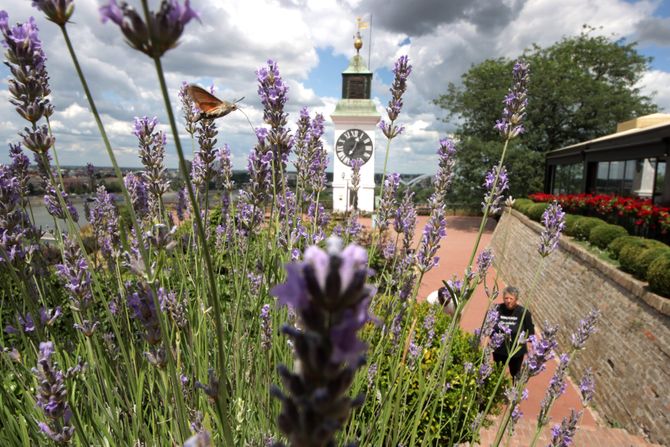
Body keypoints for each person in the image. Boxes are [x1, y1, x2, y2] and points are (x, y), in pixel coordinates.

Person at [492, 285, 534, 380]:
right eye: (506, 298)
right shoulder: (496, 309)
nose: (508, 301)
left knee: (516, 374)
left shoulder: (524, 313)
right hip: (499, 350)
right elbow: (489, 326)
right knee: (497, 373)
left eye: (511, 298)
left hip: (516, 352)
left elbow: (530, 333)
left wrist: (531, 350)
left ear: (516, 299)